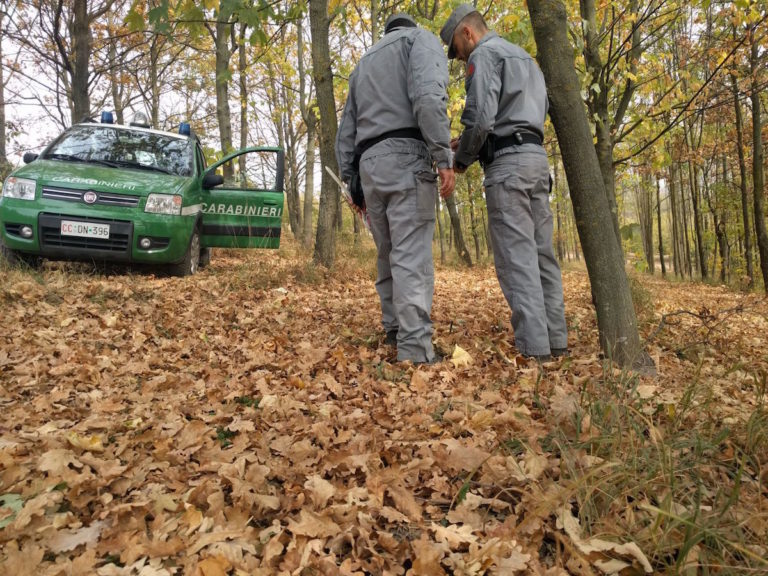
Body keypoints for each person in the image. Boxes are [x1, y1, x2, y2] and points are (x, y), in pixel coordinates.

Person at [440, 4, 568, 360]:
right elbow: (521, 116)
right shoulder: (525, 58)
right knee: (543, 256)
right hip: (536, 160)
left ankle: (535, 351)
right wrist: (474, 142)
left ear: (468, 33)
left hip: (507, 168)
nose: (457, 57)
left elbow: (480, 120)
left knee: (517, 260)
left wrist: (462, 158)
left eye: (456, 48)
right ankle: (556, 342)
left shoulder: (485, 55)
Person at [336, 13, 455, 365]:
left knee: (388, 252)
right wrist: (442, 155)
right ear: (409, 26)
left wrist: (351, 182)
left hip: (370, 166)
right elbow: (430, 99)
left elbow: (346, 131)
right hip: (407, 157)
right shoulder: (420, 41)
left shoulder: (364, 62)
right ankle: (416, 349)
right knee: (411, 255)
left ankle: (394, 330)